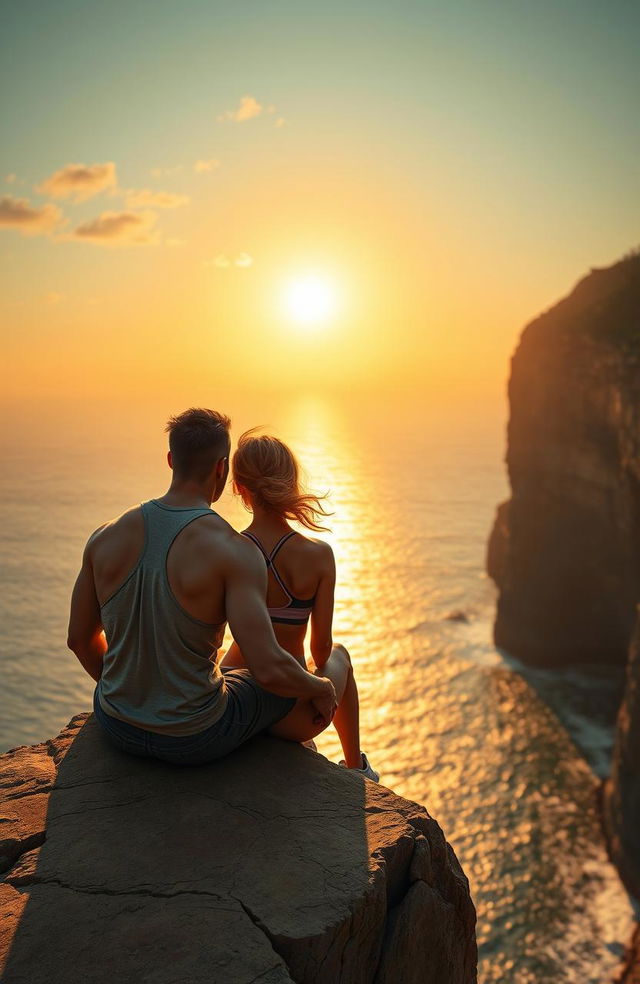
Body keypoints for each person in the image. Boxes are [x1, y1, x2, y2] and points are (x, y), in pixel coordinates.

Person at [67, 407, 355, 767]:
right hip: (194, 737)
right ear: (222, 468)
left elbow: (79, 640)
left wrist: (131, 695)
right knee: (281, 686)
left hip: (116, 724)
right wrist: (321, 688)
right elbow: (268, 669)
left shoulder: (104, 536)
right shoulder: (233, 550)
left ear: (171, 460)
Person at [221, 429, 378, 781]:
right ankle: (358, 768)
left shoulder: (228, 550)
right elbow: (320, 652)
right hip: (292, 717)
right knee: (340, 654)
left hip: (236, 703)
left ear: (238, 486)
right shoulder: (318, 556)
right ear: (289, 483)